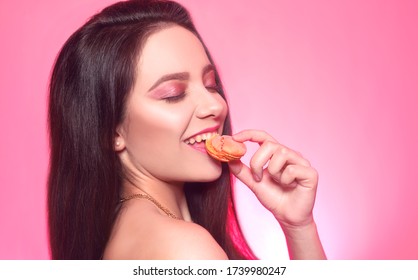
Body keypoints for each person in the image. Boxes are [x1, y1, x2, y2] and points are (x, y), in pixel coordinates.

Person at [47, 0, 326, 260]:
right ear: (112, 131)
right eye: (173, 94)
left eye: (210, 84)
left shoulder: (134, 231)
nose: (215, 105)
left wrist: (298, 226)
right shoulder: (183, 247)